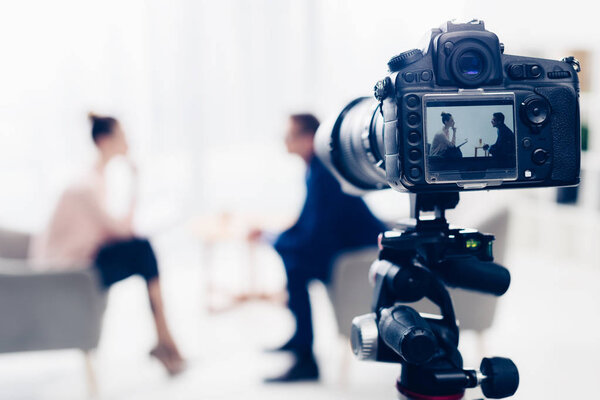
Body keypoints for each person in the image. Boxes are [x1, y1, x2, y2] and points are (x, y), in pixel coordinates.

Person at [30, 113, 185, 376]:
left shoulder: (95, 179)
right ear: (104, 140)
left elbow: (113, 231)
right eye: (122, 136)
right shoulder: (87, 186)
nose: (128, 142)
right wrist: (137, 182)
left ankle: (165, 340)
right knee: (143, 249)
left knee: (142, 250)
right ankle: (165, 340)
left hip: (78, 263)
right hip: (67, 274)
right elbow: (122, 231)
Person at [248, 113, 386, 383]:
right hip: (346, 249)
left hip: (359, 258)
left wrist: (274, 241)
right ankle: (301, 341)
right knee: (292, 259)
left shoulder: (325, 173)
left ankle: (305, 359)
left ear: (309, 138)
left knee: (296, 265)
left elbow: (316, 234)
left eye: (290, 135)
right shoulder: (317, 168)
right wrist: (271, 236)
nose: (285, 141)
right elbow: (306, 221)